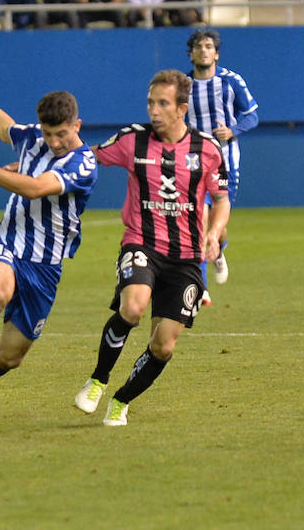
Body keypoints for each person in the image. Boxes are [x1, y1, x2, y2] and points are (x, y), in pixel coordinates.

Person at [0, 60, 98, 424]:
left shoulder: (83, 164)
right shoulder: (33, 139)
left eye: (62, 134)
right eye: (48, 133)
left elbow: (37, 187)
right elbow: (3, 125)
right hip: (7, 243)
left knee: (11, 357)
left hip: (45, 268)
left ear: (77, 126)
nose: (54, 142)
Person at [73, 69, 230, 427]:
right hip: (141, 242)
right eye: (150, 102)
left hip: (187, 258)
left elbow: (221, 199)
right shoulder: (132, 140)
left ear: (182, 108)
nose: (153, 110)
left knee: (163, 346)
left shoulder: (206, 149)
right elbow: (87, 158)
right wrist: (38, 165)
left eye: (162, 103)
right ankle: (97, 380)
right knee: (133, 306)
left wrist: (214, 231)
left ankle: (121, 400)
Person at [185, 29, 258, 306]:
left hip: (226, 164)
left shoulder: (231, 81)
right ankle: (200, 287)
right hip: (192, 164)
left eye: (208, 46)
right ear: (191, 53)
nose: (203, 51)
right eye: (198, 46)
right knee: (198, 222)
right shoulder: (182, 85)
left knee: (218, 226)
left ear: (216, 53)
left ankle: (220, 247)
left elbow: (252, 116)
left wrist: (234, 130)